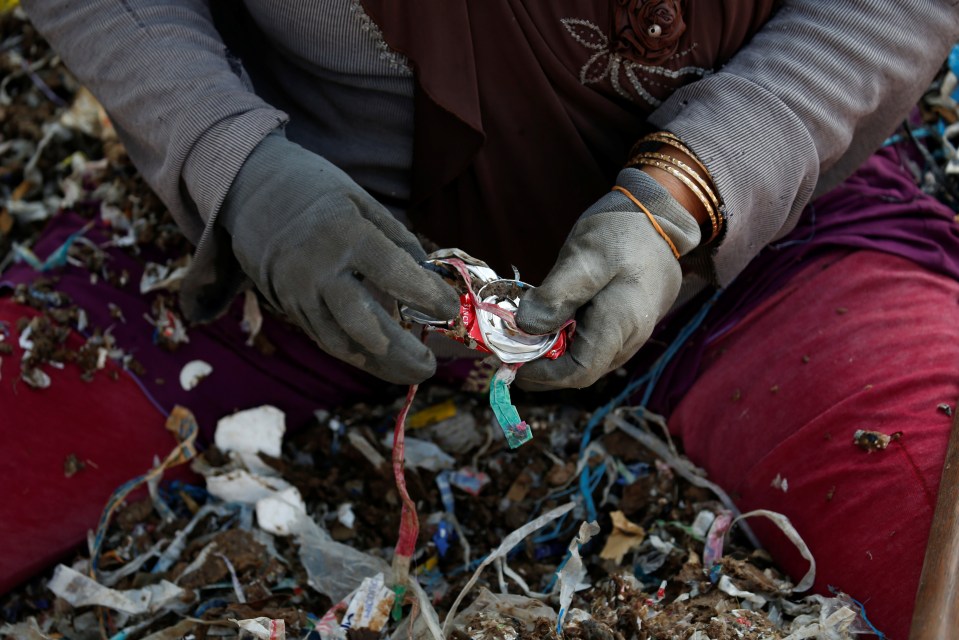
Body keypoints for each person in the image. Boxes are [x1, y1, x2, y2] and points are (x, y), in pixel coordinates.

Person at [5, 1, 959, 635]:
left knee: (935, 562)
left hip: (755, 239)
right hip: (299, 230)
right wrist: (232, 165)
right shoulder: (260, 195)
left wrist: (685, 195)